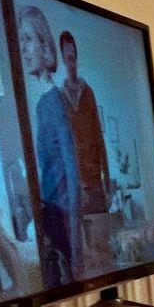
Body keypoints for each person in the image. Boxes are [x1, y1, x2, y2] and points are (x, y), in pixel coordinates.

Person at [16, 4, 75, 288]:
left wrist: (73, 227)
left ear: (43, 43)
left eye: (28, 39)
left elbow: (70, 164)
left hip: (58, 212)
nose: (23, 48)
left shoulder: (53, 101)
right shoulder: (41, 102)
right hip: (49, 209)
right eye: (21, 40)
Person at [58, 29, 117, 273]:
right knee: (82, 249)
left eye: (74, 57)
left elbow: (98, 136)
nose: (71, 62)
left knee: (103, 244)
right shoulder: (60, 96)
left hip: (94, 179)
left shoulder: (88, 91)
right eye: (67, 58)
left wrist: (106, 179)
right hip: (74, 182)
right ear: (63, 59)